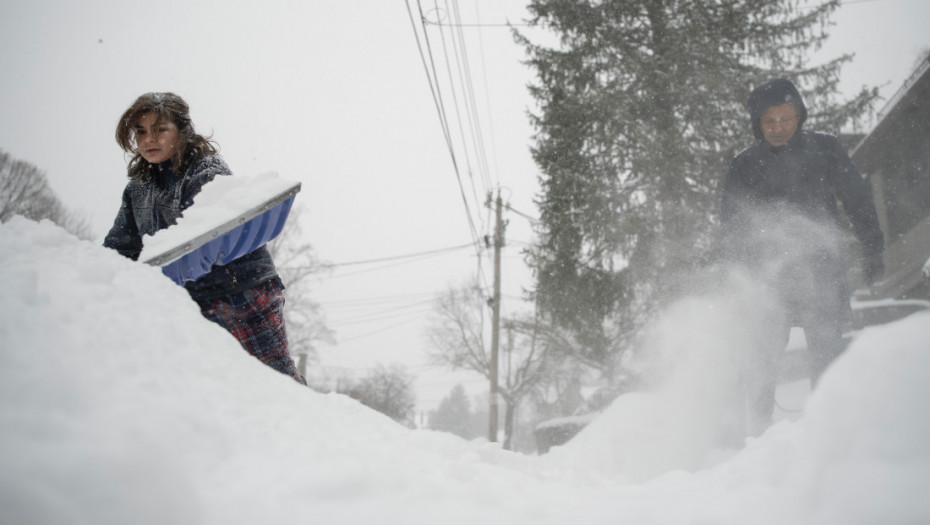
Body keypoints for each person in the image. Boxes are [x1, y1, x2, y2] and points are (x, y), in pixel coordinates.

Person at [104, 92, 306, 385]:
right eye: (141, 132)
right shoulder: (138, 188)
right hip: (191, 300)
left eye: (160, 130)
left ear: (182, 131)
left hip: (242, 292)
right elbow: (120, 248)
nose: (149, 139)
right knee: (214, 389)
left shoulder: (206, 171)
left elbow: (200, 239)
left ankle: (312, 415)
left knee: (276, 382)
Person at [718, 78, 884, 436]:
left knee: (827, 359)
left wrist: (873, 247)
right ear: (757, 123)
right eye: (769, 121)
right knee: (761, 363)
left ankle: (829, 433)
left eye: (785, 119)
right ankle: (757, 438)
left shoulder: (825, 149)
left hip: (822, 274)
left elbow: (858, 199)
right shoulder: (745, 164)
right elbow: (731, 227)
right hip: (768, 282)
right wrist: (733, 280)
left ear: (799, 116)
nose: (778, 128)